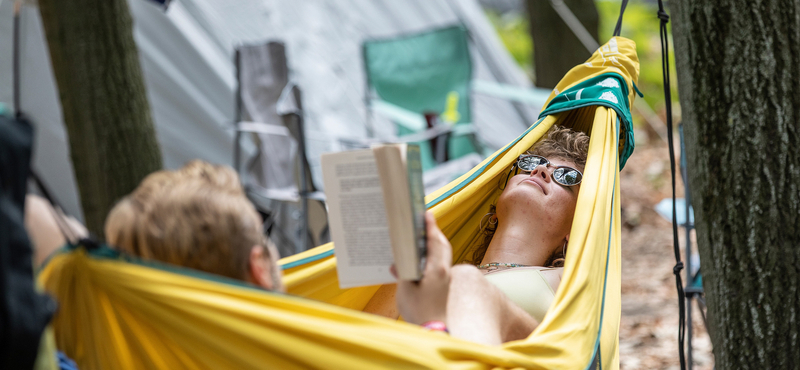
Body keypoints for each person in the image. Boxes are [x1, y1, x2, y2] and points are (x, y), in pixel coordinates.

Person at [394, 125, 589, 345]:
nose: (540, 171)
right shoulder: (439, 279)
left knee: (466, 280)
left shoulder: (569, 278)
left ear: (575, 229)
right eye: (531, 164)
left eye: (566, 177)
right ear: (495, 208)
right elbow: (369, 328)